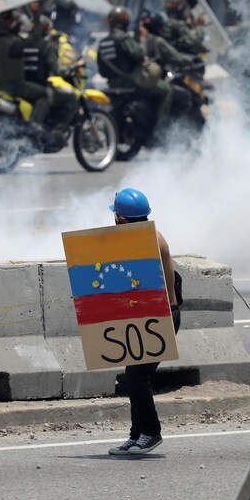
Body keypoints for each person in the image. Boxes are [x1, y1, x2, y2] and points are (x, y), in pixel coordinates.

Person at [107, 188, 181, 456]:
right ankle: (136, 435)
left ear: (120, 219)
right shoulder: (142, 238)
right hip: (149, 315)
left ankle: (151, 432)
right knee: (134, 374)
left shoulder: (145, 244)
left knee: (137, 377)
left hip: (161, 316)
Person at [97, 6, 174, 130]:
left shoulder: (103, 42)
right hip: (130, 82)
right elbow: (139, 53)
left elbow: (101, 70)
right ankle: (161, 130)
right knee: (167, 89)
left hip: (112, 83)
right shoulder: (124, 38)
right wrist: (143, 39)